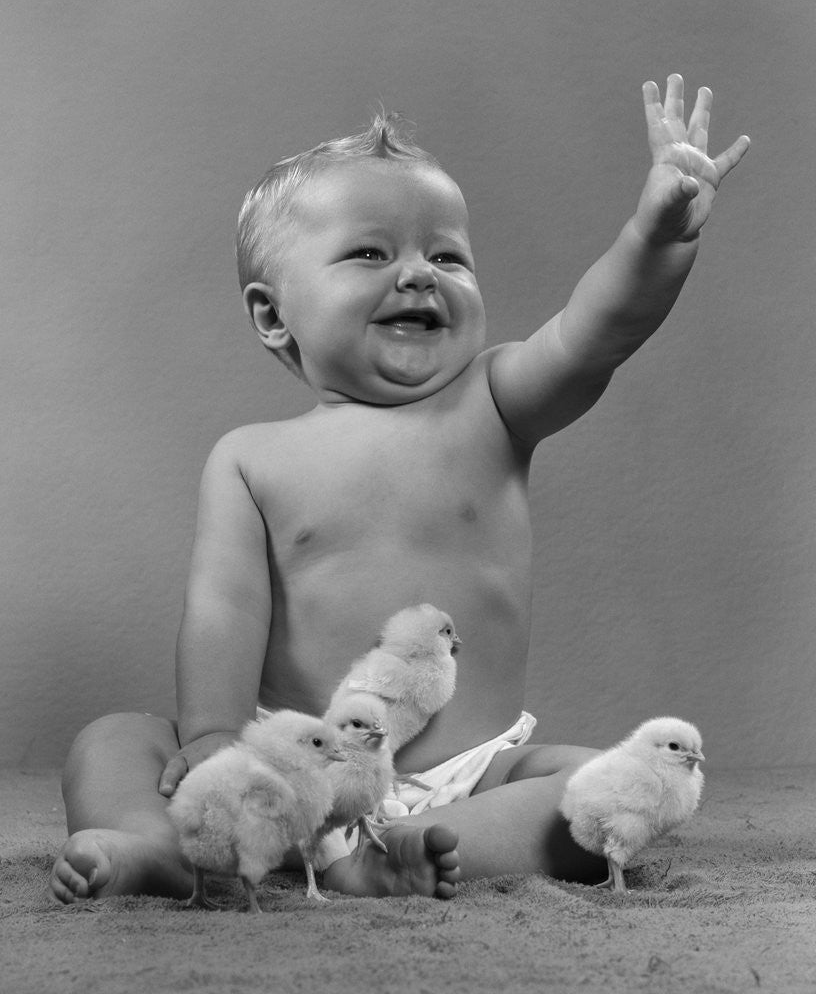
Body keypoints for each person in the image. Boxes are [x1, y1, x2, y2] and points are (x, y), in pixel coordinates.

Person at [50, 74, 749, 904]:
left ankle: (400, 852)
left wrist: (658, 234)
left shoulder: (495, 403)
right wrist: (207, 736)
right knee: (112, 740)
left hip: (475, 773)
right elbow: (224, 611)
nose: (420, 274)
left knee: (593, 782)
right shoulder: (251, 458)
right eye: (370, 253)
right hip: (297, 764)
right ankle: (162, 846)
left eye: (447, 255)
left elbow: (596, 335)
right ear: (274, 315)